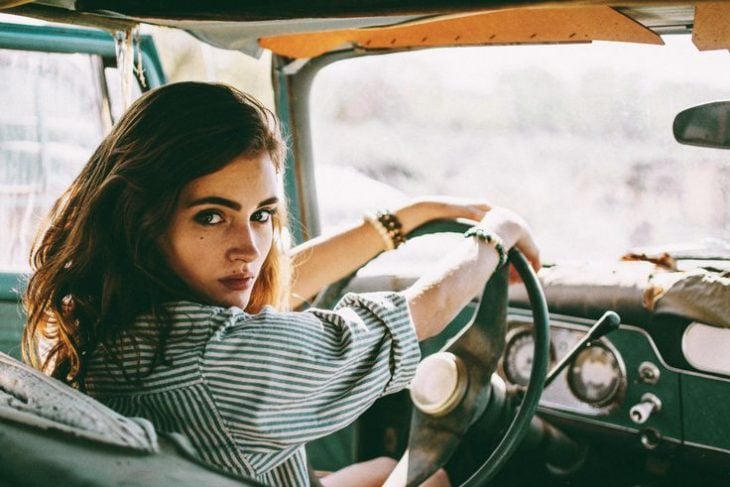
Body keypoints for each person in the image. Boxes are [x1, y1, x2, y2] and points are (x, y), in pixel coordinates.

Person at [21, 82, 539, 486]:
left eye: (262, 214)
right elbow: (414, 318)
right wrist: (498, 234)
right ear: (144, 221)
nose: (248, 248)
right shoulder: (222, 359)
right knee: (437, 476)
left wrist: (401, 219)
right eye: (211, 217)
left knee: (384, 467)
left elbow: (271, 284)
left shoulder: (102, 317)